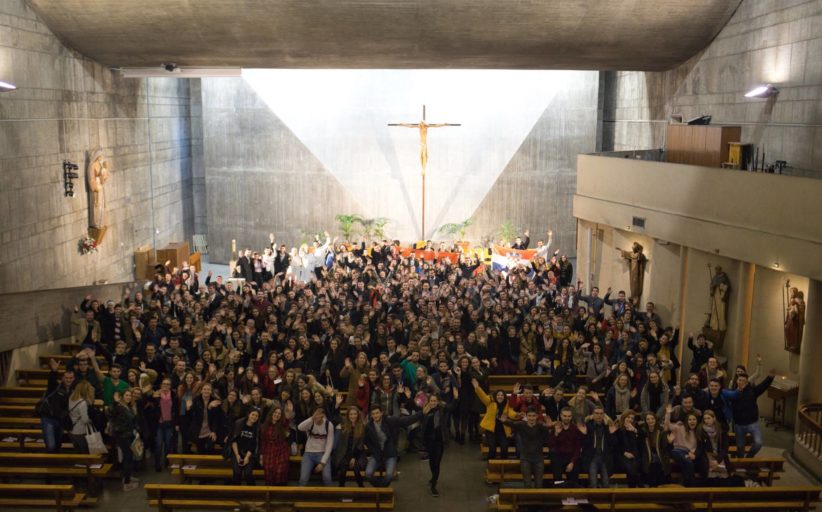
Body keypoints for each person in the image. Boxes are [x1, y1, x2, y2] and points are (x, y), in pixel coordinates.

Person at [364, 404, 422, 487]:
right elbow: (367, 441)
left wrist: (421, 413)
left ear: (381, 413)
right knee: (368, 474)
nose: (375, 415)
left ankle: (382, 488)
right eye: (373, 414)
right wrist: (372, 450)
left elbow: (406, 420)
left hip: (390, 454)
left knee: (390, 475)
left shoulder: (389, 421)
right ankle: (380, 487)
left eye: (377, 413)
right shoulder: (368, 426)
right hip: (376, 454)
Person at [725, 370, 775, 458]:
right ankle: (740, 462)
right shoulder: (732, 393)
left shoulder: (752, 391)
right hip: (739, 424)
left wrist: (770, 377)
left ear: (747, 382)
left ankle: (749, 457)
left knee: (758, 443)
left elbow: (763, 386)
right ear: (737, 381)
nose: (741, 382)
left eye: (744, 381)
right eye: (740, 380)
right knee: (740, 446)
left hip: (753, 423)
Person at [502, 407, 551, 488]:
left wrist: (549, 427)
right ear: (526, 416)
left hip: (538, 458)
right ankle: (528, 500)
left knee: (539, 484)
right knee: (527, 483)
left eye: (533, 416)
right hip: (525, 458)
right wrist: (505, 421)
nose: (531, 418)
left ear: (537, 416)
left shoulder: (541, 426)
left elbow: (547, 439)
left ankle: (537, 500)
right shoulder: (521, 425)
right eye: (529, 416)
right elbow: (512, 424)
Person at [473, 378, 516, 460]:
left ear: (504, 397)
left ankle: (504, 465)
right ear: (495, 396)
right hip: (491, 430)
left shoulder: (507, 404)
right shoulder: (490, 401)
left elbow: (511, 413)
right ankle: (491, 465)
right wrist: (477, 388)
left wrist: (518, 415)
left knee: (504, 448)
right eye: (498, 395)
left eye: (502, 395)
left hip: (503, 430)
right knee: (492, 448)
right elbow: (483, 397)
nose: (500, 397)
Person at [420, 394, 454, 496]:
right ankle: (433, 477)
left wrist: (456, 397)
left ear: (438, 402)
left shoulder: (442, 410)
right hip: (429, 441)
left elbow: (452, 406)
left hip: (439, 440)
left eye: (435, 401)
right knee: (432, 462)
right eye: (431, 401)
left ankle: (433, 485)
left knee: (437, 463)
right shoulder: (425, 411)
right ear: (429, 402)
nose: (433, 403)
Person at [39, 359, 75, 453]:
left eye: (70, 378)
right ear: (63, 378)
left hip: (60, 420)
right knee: (51, 446)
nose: (68, 380)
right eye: (66, 378)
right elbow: (51, 381)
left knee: (58, 444)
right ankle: (50, 464)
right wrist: (54, 371)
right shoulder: (55, 387)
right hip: (48, 419)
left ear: (73, 379)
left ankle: (56, 464)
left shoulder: (73, 391)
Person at [579, 405, 617, 488]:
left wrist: (612, 434)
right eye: (596, 413)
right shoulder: (587, 426)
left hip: (605, 457)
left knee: (606, 483)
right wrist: (584, 435)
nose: (599, 415)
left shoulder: (608, 426)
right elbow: (583, 444)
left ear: (604, 415)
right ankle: (594, 500)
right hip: (592, 457)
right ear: (593, 415)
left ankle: (605, 500)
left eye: (601, 413)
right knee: (593, 483)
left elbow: (613, 445)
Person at [110, 389, 140, 491]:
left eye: (130, 396)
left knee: (129, 457)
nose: (129, 397)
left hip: (129, 435)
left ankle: (128, 477)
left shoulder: (128, 406)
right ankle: (126, 483)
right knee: (128, 458)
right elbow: (113, 417)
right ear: (122, 396)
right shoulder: (119, 407)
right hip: (123, 436)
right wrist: (115, 402)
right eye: (126, 395)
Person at [297, 408, 335, 486]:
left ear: (323, 416)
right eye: (316, 416)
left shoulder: (329, 425)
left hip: (322, 453)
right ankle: (300, 496)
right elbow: (299, 427)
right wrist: (312, 418)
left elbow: (329, 445)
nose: (317, 418)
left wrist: (323, 463)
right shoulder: (311, 422)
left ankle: (330, 497)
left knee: (327, 477)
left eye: (320, 416)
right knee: (303, 479)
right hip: (308, 454)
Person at [547, 407, 583, 487]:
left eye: (569, 416)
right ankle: (558, 494)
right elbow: (550, 445)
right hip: (558, 457)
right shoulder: (554, 428)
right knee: (557, 480)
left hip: (571, 457)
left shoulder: (575, 429)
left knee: (573, 480)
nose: (567, 418)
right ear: (561, 416)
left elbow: (578, 448)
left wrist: (572, 462)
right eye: (565, 416)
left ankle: (571, 497)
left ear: (571, 416)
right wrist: (556, 434)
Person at [664, 403, 699, 486]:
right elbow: (667, 425)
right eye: (690, 420)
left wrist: (692, 453)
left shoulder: (698, 431)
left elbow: (696, 447)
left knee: (688, 463)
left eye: (694, 420)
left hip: (689, 452)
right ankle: (691, 486)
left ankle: (685, 485)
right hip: (678, 451)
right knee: (688, 462)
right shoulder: (679, 427)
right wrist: (668, 413)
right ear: (686, 421)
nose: (692, 421)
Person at [333, 406, 366, 488]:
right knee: (342, 470)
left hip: (358, 453)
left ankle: (361, 487)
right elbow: (336, 416)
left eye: (355, 414)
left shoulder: (362, 426)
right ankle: (341, 487)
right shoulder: (344, 424)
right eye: (351, 414)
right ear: (348, 415)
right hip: (345, 453)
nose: (353, 416)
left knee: (356, 469)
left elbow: (360, 445)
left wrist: (354, 457)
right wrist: (337, 406)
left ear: (358, 415)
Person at [151, 378, 178, 472]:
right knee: (158, 445)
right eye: (164, 384)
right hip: (159, 424)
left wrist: (177, 423)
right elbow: (152, 410)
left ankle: (167, 462)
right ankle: (157, 464)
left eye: (168, 384)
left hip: (170, 423)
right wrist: (154, 398)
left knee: (168, 445)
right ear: (161, 385)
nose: (165, 386)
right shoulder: (156, 395)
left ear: (170, 386)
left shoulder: (174, 395)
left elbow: (177, 410)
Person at [260, 404, 292, 486]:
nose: (277, 414)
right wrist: (261, 455)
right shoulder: (264, 426)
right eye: (275, 412)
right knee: (268, 470)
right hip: (268, 450)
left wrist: (288, 414)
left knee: (280, 471)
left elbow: (287, 422)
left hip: (281, 450)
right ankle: (269, 492)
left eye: (279, 413)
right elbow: (263, 441)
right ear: (272, 413)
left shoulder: (283, 425)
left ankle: (280, 491)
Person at [230, 409, 260, 485]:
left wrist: (247, 457)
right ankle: (236, 492)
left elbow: (253, 445)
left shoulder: (257, 428)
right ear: (248, 415)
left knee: (248, 473)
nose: (254, 417)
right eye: (253, 414)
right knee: (237, 472)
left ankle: (253, 492)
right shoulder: (239, 424)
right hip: (237, 451)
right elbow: (234, 440)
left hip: (250, 454)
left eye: (256, 416)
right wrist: (237, 455)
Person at [68, 380, 95, 453]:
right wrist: (91, 420)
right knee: (84, 452)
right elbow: (85, 420)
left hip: (72, 429)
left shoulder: (71, 398)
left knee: (77, 451)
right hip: (80, 431)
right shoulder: (82, 403)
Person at [616, 410, 642, 487]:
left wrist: (634, 431)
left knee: (634, 464)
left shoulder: (636, 428)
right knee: (630, 467)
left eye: (632, 418)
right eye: (628, 417)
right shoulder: (618, 429)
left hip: (634, 454)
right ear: (624, 417)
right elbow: (615, 446)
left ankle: (632, 488)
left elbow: (641, 440)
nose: (630, 419)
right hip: (622, 454)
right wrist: (625, 453)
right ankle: (638, 485)